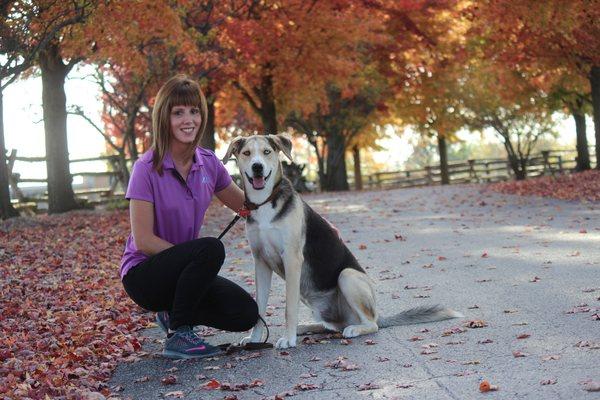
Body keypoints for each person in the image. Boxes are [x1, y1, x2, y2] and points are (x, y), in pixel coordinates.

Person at [119, 74, 258, 359]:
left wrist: (315, 224)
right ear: (164, 118)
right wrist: (191, 263)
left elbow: (247, 206)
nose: (188, 119)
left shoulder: (208, 163)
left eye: (194, 111)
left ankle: (173, 315)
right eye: (178, 112)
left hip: (186, 273)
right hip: (144, 277)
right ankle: (179, 334)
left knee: (245, 313)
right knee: (210, 248)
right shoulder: (146, 168)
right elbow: (144, 241)